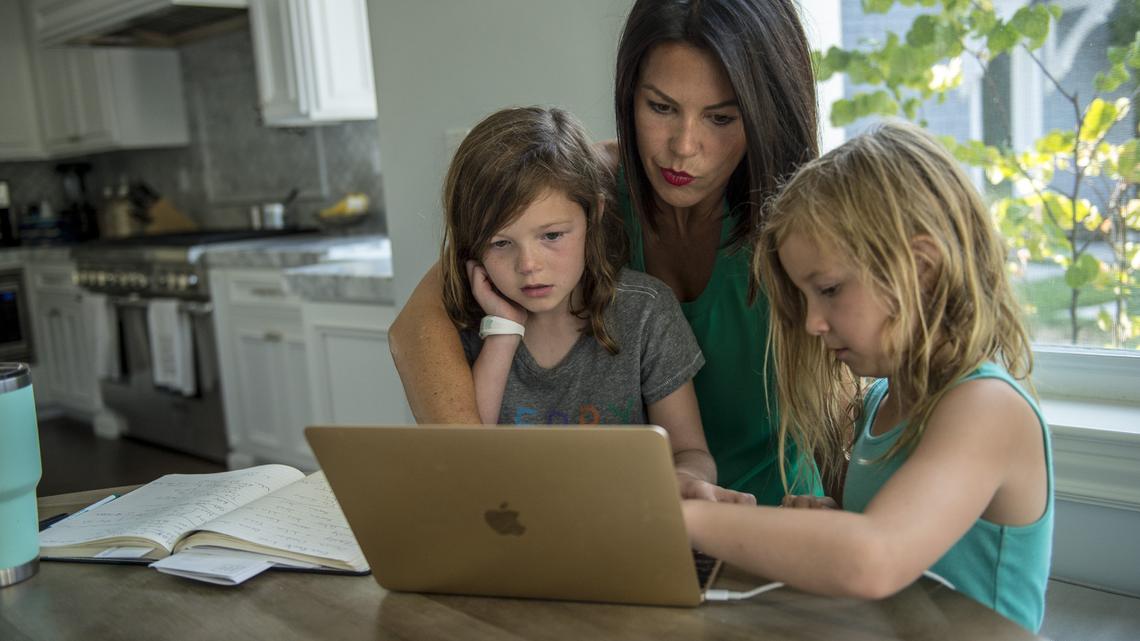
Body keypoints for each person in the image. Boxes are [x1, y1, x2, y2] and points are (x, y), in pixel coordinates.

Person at [389, 0, 822, 505]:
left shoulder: (805, 217)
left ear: (767, 113)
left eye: (721, 118)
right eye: (660, 107)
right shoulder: (575, 191)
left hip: (769, 519)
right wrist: (481, 483)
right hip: (617, 522)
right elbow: (415, 327)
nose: (684, 146)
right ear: (628, 95)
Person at [683, 121, 1053, 632]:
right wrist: (835, 527)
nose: (813, 322)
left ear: (922, 267)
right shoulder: (881, 402)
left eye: (830, 289)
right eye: (806, 297)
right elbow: (903, 554)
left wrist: (682, 519)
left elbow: (876, 558)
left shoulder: (987, 408)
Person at [440, 106, 752, 504]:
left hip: (628, 528)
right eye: (501, 243)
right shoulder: (471, 325)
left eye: (552, 235)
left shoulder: (645, 312)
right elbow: (465, 457)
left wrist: (684, 480)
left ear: (594, 215)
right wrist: (503, 330)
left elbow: (690, 451)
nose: (529, 266)